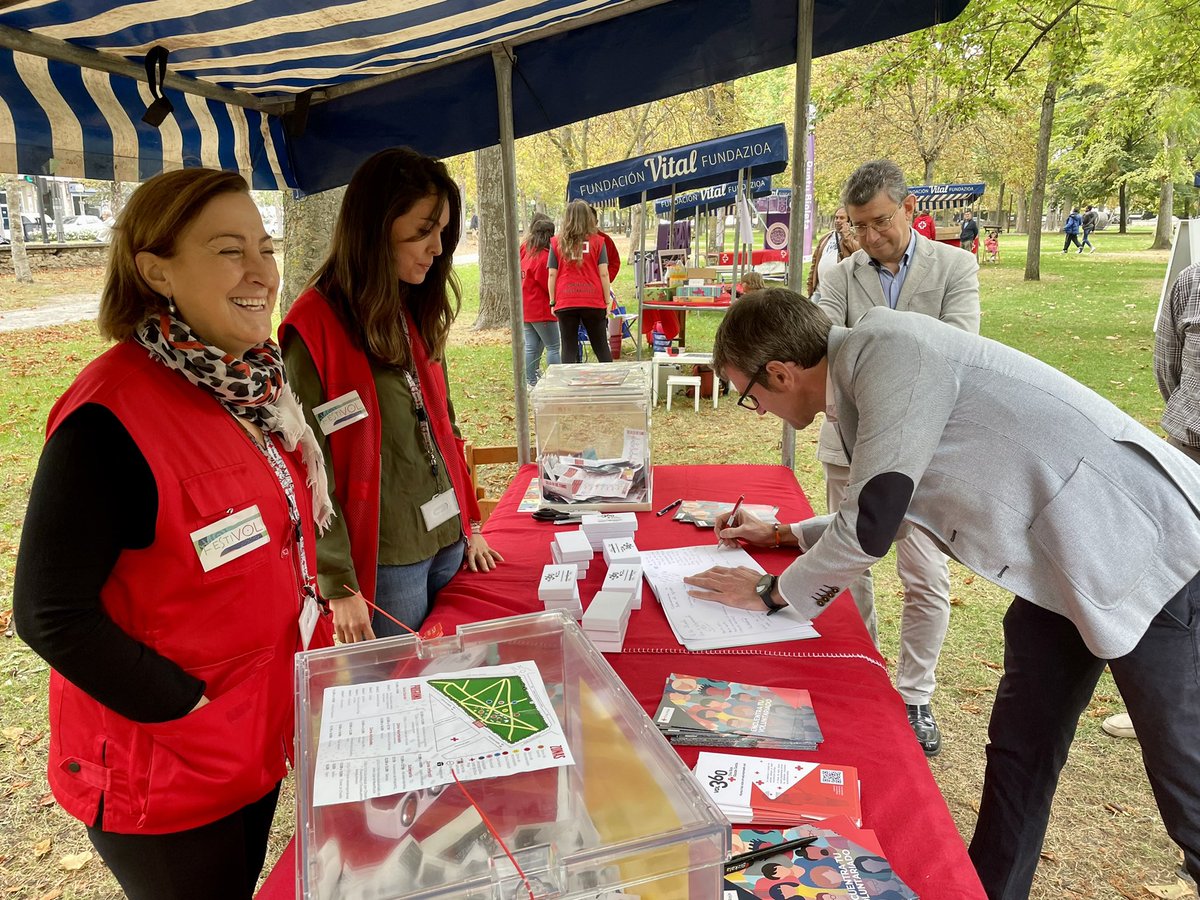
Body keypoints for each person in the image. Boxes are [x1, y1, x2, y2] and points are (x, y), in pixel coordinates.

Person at [686, 288, 1200, 898]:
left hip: (1149, 556)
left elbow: (875, 518)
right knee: (1018, 755)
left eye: (750, 399)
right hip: (1064, 568)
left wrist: (774, 594)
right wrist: (786, 533)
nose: (758, 410)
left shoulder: (890, 351)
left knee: (1186, 782)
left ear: (779, 372)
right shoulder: (866, 375)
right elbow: (900, 502)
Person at [12, 167, 334, 900]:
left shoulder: (250, 384)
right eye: (229, 251)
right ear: (156, 270)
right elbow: (50, 614)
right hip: (165, 768)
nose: (261, 272)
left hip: (250, 740)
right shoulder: (107, 417)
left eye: (266, 244)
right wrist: (189, 706)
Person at [281, 147, 502, 644]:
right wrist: (338, 582)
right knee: (404, 686)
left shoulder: (411, 304)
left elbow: (442, 420)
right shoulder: (314, 327)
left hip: (448, 538)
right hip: (387, 556)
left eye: (442, 231)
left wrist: (471, 522)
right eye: (423, 232)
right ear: (376, 228)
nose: (438, 248)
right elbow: (308, 467)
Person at [809, 159, 980, 756]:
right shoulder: (839, 273)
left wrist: (877, 372)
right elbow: (819, 345)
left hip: (926, 452)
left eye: (882, 221)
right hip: (847, 446)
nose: (872, 236)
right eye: (859, 226)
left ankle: (914, 694)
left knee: (924, 574)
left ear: (911, 210)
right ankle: (862, 668)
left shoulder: (955, 266)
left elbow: (957, 353)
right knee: (846, 562)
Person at [1105, 263, 1200, 742]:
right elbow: (1169, 368)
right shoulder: (1193, 280)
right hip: (1189, 454)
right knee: (1171, 589)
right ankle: (1160, 702)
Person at [550, 198, 613, 364]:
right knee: (601, 347)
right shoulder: (598, 242)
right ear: (589, 218)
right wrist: (607, 300)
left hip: (565, 299)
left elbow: (552, 274)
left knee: (568, 347)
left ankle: (567, 385)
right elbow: (604, 274)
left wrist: (552, 301)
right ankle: (610, 384)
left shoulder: (557, 242)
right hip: (593, 299)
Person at [520, 214, 559, 386]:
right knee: (553, 346)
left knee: (532, 346)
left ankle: (531, 379)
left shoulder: (527, 252)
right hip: (541, 309)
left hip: (527, 308)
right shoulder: (544, 257)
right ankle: (555, 380)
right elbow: (547, 283)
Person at [806, 206, 858, 296]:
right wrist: (810, 287)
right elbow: (814, 264)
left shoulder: (854, 237)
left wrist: (846, 235)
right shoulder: (825, 238)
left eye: (842, 218)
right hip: (819, 290)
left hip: (838, 293)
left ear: (850, 221)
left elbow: (859, 252)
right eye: (836, 217)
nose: (837, 220)